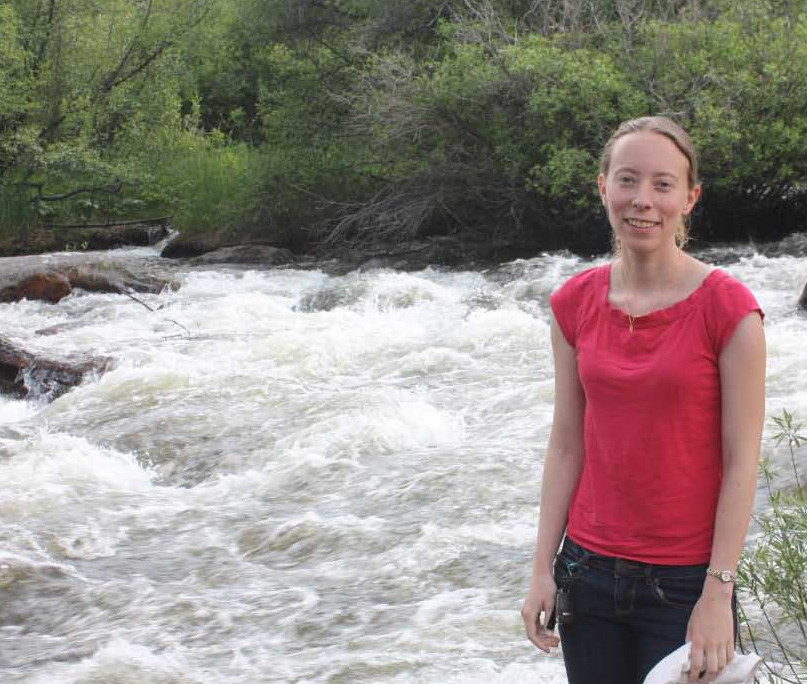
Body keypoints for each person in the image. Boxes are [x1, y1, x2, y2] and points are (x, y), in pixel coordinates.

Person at [521, 116, 766, 684]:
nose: (643, 200)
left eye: (663, 184)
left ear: (690, 197)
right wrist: (541, 570)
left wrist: (716, 593)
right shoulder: (573, 303)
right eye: (628, 180)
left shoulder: (729, 310)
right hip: (586, 573)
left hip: (684, 583)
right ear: (602, 185)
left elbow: (740, 463)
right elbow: (566, 446)